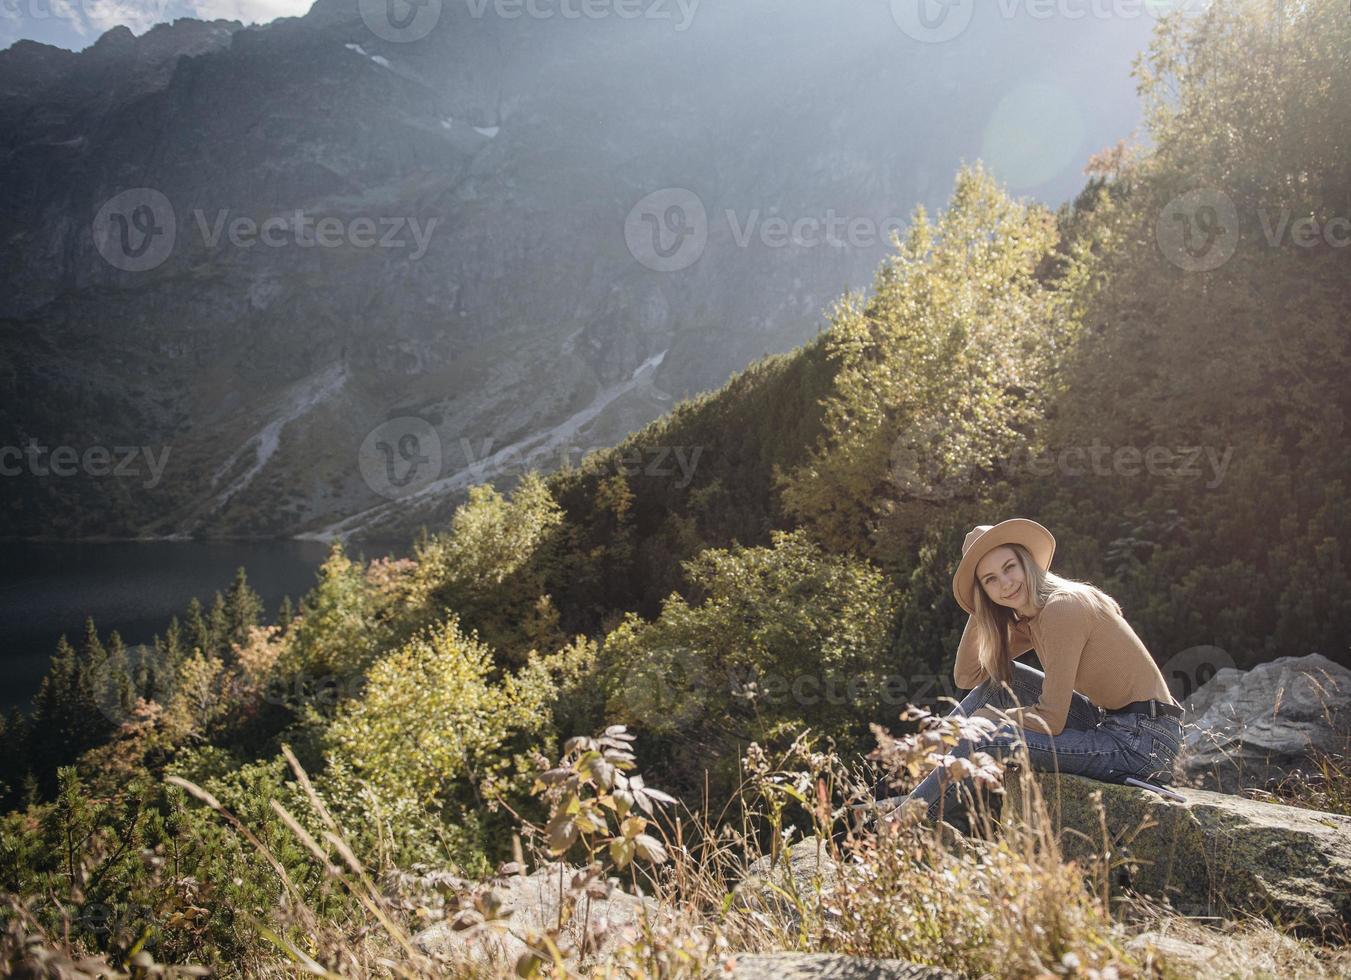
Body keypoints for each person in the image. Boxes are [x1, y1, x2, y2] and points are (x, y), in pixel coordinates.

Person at [871, 518, 1185, 835]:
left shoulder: (1062, 609)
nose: (1005, 583)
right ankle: (915, 776)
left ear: (1028, 561)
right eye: (991, 580)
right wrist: (980, 608)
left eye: (1010, 567)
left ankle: (895, 826)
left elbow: (1051, 720)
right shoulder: (1034, 617)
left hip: (1143, 743)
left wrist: (993, 718)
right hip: (1111, 723)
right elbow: (968, 676)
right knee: (1000, 683)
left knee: (981, 737)